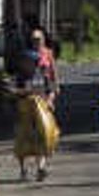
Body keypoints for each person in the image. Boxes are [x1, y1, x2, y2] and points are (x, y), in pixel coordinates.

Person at [11, 35, 61, 185]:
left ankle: (41, 168)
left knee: (43, 136)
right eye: (28, 62)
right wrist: (22, 93)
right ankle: (23, 169)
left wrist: (50, 100)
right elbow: (13, 91)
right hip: (25, 111)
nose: (31, 65)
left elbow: (50, 89)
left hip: (41, 110)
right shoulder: (21, 77)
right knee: (23, 140)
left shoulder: (42, 74)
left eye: (33, 62)